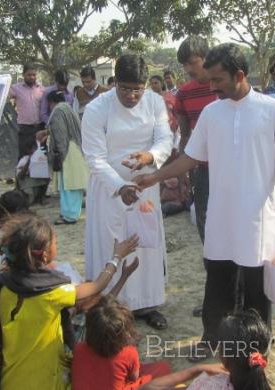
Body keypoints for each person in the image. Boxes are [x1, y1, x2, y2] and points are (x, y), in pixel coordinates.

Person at [134, 43, 275, 359]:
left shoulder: (273, 110)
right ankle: (211, 339)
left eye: (217, 80)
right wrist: (154, 177)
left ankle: (256, 348)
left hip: (258, 214)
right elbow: (191, 157)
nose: (211, 87)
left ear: (239, 75)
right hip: (221, 213)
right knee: (218, 280)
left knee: (256, 286)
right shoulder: (212, 113)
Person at [0, 213, 139, 389]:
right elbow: (97, 286)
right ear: (43, 255)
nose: (57, 246)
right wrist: (117, 257)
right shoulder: (53, 292)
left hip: (7, 375)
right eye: (55, 243)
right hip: (41, 378)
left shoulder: (2, 281)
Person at [82, 54, 173, 330]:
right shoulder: (97, 108)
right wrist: (119, 186)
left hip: (144, 184)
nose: (132, 95)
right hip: (109, 188)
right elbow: (94, 157)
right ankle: (112, 305)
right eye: (125, 89)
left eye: (138, 89)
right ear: (114, 83)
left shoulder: (155, 102)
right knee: (112, 241)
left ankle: (147, 302)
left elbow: (165, 139)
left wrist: (151, 156)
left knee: (145, 244)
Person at [173, 36, 217, 317]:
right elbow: (186, 136)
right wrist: (184, 176)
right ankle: (215, 298)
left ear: (205, 57)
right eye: (184, 64)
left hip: (233, 174)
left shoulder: (223, 87)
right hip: (203, 173)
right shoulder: (183, 94)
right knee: (208, 238)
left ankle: (234, 300)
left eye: (192, 62)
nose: (188, 69)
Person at [142, 310, 272, 390]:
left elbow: (148, 388)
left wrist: (196, 369)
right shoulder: (261, 384)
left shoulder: (211, 384)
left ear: (224, 358)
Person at [72, 295, 172, 390]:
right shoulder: (128, 352)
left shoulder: (79, 348)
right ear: (124, 332)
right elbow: (134, 377)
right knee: (163, 367)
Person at [41, 90, 88, 225]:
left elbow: (61, 137)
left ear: (50, 102)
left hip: (67, 152)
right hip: (76, 150)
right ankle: (73, 213)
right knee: (75, 185)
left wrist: (59, 156)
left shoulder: (57, 112)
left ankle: (69, 216)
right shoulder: (68, 109)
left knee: (68, 185)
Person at [8, 63, 45, 160]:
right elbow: (4, 96)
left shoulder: (41, 89)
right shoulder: (15, 88)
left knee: (41, 155)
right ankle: (22, 174)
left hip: (40, 127)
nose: (32, 77)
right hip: (25, 129)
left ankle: (38, 175)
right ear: (23, 75)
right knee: (24, 156)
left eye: (34, 75)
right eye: (29, 75)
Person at [15, 137, 50, 205]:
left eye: (36, 149)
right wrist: (28, 162)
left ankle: (41, 198)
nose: (35, 151)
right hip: (27, 185)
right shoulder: (24, 160)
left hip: (38, 183)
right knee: (29, 200)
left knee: (46, 178)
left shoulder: (40, 158)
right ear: (28, 150)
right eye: (33, 149)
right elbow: (19, 177)